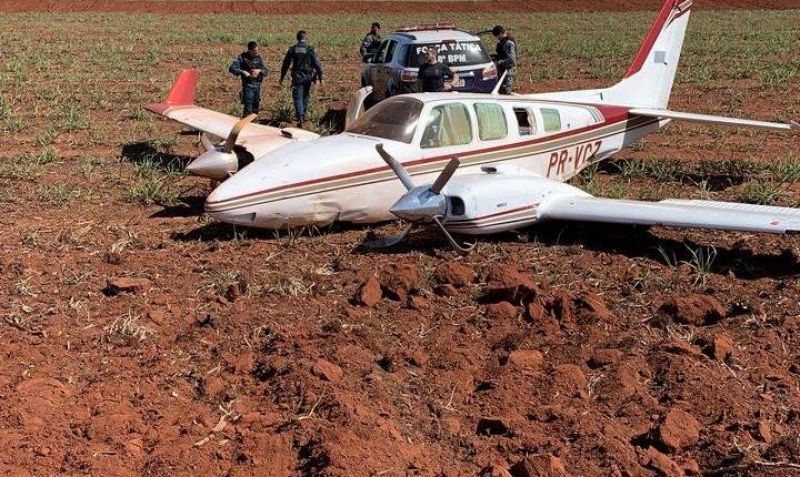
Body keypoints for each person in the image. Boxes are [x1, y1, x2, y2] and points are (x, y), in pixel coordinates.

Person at [280, 30, 324, 128]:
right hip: (308, 77)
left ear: (297, 38)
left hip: (297, 77)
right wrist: (321, 78)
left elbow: (286, 64)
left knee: (298, 97)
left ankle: (300, 117)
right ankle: (303, 115)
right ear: (305, 38)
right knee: (306, 96)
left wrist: (282, 77)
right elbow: (317, 65)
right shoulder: (310, 49)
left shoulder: (293, 49)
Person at [228, 41, 268, 117]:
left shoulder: (258, 58)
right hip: (248, 86)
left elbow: (266, 71)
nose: (257, 52)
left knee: (255, 109)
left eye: (257, 50)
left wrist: (259, 70)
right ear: (250, 50)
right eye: (255, 51)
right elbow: (231, 68)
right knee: (248, 109)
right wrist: (243, 72)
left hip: (257, 86)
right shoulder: (242, 58)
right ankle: (246, 125)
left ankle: (254, 125)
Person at [492, 25, 517, 94]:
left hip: (507, 71)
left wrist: (498, 63)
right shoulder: (503, 43)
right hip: (502, 70)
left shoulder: (508, 43)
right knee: (501, 91)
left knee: (505, 91)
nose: (496, 38)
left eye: (496, 36)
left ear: (500, 33)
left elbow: (511, 60)